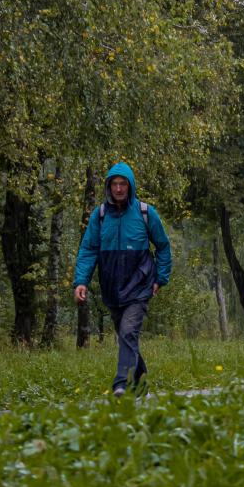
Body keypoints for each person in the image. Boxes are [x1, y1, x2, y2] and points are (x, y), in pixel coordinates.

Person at [73, 161, 171, 396]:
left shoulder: (146, 213)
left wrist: (160, 278)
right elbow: (88, 249)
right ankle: (141, 384)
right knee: (127, 337)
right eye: (114, 184)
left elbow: (163, 247)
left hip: (140, 285)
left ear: (130, 186)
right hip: (112, 287)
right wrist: (81, 281)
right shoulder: (100, 215)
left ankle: (121, 383)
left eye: (123, 184)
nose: (118, 189)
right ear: (108, 187)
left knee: (128, 332)